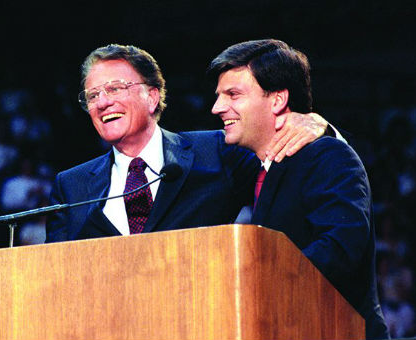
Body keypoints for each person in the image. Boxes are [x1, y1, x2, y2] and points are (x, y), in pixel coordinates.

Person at [45, 44, 331, 241]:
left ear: (152, 96)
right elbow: (57, 273)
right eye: (93, 96)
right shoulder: (71, 186)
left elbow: (291, 165)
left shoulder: (217, 152)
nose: (103, 102)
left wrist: (318, 124)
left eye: (115, 88)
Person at [208, 39, 389, 339]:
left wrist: (255, 281)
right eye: (219, 96)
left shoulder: (328, 155)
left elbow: (341, 249)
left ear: (277, 100)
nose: (217, 107)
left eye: (233, 94)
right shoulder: (255, 167)